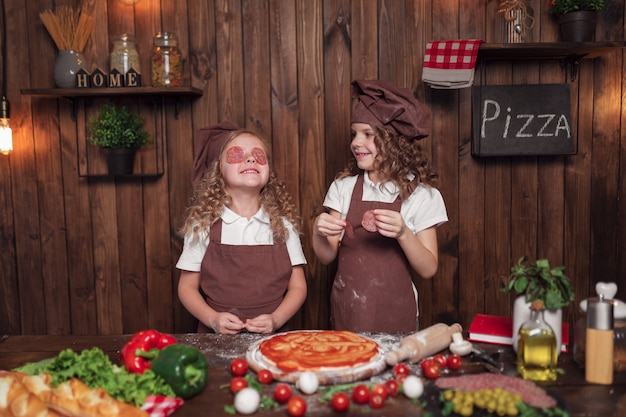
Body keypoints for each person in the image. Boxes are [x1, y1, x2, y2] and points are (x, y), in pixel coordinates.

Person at [312, 79, 448, 333]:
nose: (355, 142)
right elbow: (326, 255)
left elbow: (428, 268)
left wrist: (403, 233)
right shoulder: (343, 188)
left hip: (396, 314)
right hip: (348, 311)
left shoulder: (422, 196)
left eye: (368, 134)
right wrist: (318, 232)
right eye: (354, 134)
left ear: (396, 141)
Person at [176, 121, 307, 334]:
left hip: (274, 338)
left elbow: (298, 287)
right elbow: (186, 288)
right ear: (218, 169)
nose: (251, 158)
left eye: (259, 155)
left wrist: (276, 319)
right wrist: (213, 319)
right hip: (215, 339)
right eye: (237, 154)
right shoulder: (202, 226)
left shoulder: (283, 226)